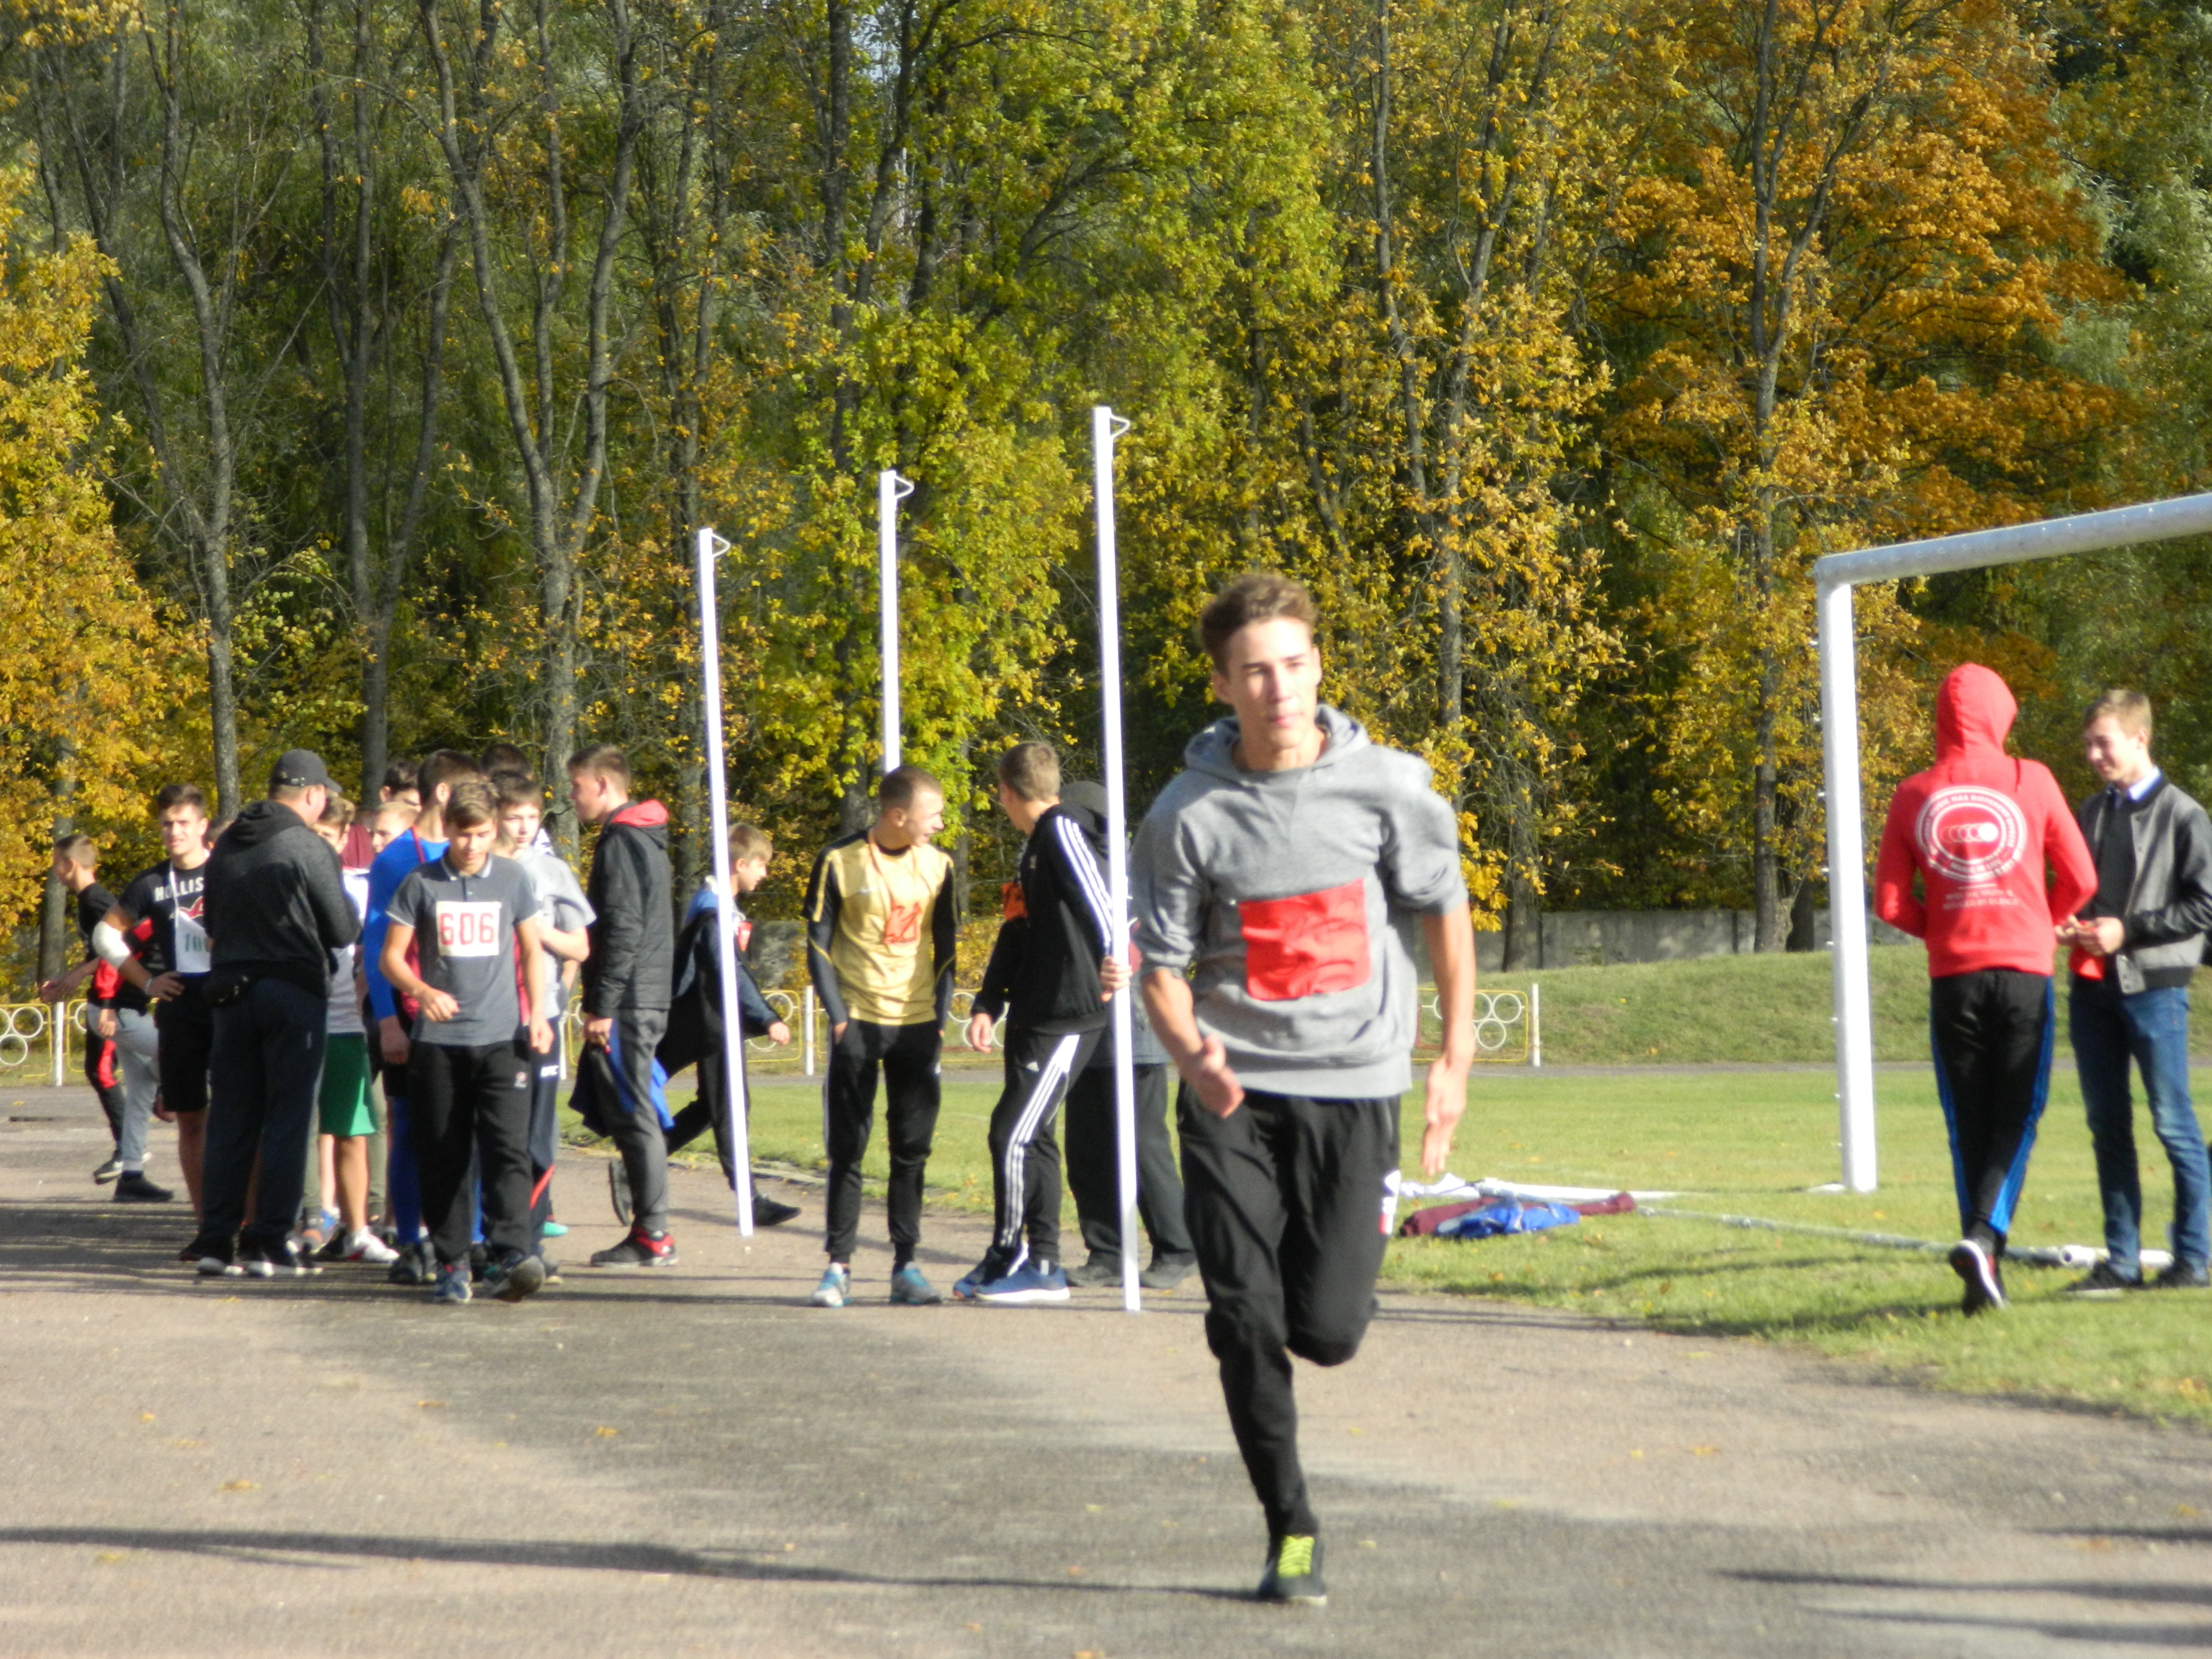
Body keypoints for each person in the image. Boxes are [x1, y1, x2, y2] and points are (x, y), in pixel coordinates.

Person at [1133, 572, 1475, 1606]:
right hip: (1235, 1090)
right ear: (1224, 685)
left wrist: (1452, 1060)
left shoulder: (1392, 787)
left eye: (1291, 665)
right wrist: (1193, 1054)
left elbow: (1443, 914)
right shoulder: (1186, 814)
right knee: (1241, 1313)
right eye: (1254, 672)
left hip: (1356, 1086)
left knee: (1325, 1330)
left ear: (1317, 666)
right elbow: (1160, 967)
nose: (1277, 689)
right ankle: (1290, 1528)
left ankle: (1299, 1293)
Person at [1875, 663, 2097, 1316]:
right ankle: (1982, 1238)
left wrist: (1943, 928)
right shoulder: (2033, 780)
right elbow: (2080, 877)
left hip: (1954, 980)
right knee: (2018, 1114)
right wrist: (2041, 921)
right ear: (2002, 716)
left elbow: (1889, 904)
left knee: (1965, 1118)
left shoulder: (1913, 793)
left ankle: (1981, 1259)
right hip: (2025, 973)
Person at [956, 743, 1123, 1305]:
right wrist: (988, 1003)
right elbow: (1018, 931)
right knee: (1032, 1136)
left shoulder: (1061, 831)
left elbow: (1104, 899)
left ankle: (1024, 1258)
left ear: (1006, 792)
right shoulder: (1034, 847)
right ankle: (1029, 1257)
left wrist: (1115, 954)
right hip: (1035, 1011)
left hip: (1070, 1016)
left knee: (1013, 1134)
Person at [2056, 689, 2212, 1293]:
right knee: (2107, 1124)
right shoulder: (2091, 811)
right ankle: (2121, 1260)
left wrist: (2131, 930)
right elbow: (2078, 888)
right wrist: (2074, 922)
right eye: (2088, 744)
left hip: (2157, 990)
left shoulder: (2185, 815)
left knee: (2174, 1123)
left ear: (2139, 738)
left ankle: (2193, 1260)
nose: (2094, 754)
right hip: (2092, 990)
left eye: (2105, 742)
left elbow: (2204, 907)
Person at [186, 750, 361, 1278]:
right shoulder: (306, 845)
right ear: (311, 795)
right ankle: (268, 1240)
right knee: (288, 1119)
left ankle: (217, 1240)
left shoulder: (226, 848)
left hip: (231, 995)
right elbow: (341, 929)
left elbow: (211, 920)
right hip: (292, 993)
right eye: (323, 796)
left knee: (232, 1118)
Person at [380, 778, 556, 1304]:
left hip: (504, 1037)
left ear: (494, 831)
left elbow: (531, 951)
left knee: (508, 1149)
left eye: (482, 835)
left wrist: (539, 1014)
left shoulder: (512, 879)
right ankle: (452, 1261)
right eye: (463, 835)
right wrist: (419, 990)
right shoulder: (420, 882)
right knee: (444, 1152)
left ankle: (510, 1254)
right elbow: (390, 957)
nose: (473, 846)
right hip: (439, 1041)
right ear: (448, 830)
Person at [804, 765, 958, 1308]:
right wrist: (839, 1015)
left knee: (911, 1150)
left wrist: (939, 1018)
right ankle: (838, 1266)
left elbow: (948, 947)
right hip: (860, 1024)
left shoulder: (940, 866)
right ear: (898, 815)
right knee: (849, 1149)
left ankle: (907, 1266)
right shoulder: (838, 860)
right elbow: (818, 943)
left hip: (916, 1026)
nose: (940, 823)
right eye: (932, 813)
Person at [363, 750, 483, 1283]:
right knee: (411, 1126)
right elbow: (374, 944)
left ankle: (472, 1238)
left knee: (473, 1126)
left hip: (474, 1014)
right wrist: (388, 1019)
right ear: (443, 795)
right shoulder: (398, 859)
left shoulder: (486, 854)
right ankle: (411, 1241)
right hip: (413, 1013)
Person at [654, 821, 800, 1227]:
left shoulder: (720, 906)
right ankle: (750, 1201)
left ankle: (642, 1162)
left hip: (717, 1022)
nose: (765, 874)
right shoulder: (712, 910)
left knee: (715, 1107)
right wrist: (768, 1017)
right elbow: (727, 971)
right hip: (714, 1023)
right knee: (731, 1107)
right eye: (761, 866)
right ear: (740, 864)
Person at [568, 745, 679, 1269]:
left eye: (578, 787)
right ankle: (650, 1227)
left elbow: (624, 928)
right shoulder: (646, 839)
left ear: (605, 786)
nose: (573, 798)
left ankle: (653, 1233)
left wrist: (602, 1004)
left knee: (634, 1114)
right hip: (645, 995)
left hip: (631, 1001)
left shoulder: (621, 842)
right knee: (632, 1110)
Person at [97, 784, 217, 1217]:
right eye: (167, 823)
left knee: (240, 1116)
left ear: (203, 826)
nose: (175, 831)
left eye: (184, 822)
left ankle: (249, 1221)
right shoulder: (151, 881)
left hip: (230, 1007)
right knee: (191, 1118)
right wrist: (146, 983)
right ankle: (207, 1223)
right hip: (180, 1010)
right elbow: (105, 935)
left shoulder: (227, 871)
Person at [494, 772, 593, 1249]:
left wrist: (536, 932)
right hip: (491, 1012)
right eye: (514, 817)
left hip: (541, 1010)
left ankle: (529, 1237)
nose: (524, 826)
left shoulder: (552, 872)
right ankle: (489, 1232)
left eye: (533, 817)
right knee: (496, 1129)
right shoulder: (480, 865)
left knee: (537, 1128)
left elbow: (581, 944)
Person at [42, 834, 168, 1200]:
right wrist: (81, 980)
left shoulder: (97, 900)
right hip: (117, 1007)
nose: (55, 871)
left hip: (119, 1007)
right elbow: (112, 949)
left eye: (56, 863)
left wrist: (77, 976)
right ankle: (167, 1092)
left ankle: (131, 1174)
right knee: (176, 1054)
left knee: (144, 1085)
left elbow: (117, 947)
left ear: (70, 864)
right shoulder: (92, 901)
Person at [309, 796, 396, 1265]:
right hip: (300, 1024)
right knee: (301, 1128)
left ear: (346, 840)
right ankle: (306, 1219)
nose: (321, 844)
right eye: (314, 835)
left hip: (345, 1022)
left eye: (329, 836)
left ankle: (359, 1227)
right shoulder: (293, 881)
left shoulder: (360, 888)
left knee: (355, 1129)